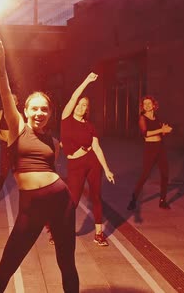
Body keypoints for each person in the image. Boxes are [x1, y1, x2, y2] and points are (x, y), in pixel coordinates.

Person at [0, 36, 79, 292]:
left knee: (67, 263)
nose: (40, 113)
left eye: (45, 110)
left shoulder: (53, 141)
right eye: (35, 109)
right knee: (7, 265)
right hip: (31, 209)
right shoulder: (17, 128)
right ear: (25, 111)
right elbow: (4, 89)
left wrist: (54, 217)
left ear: (50, 114)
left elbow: (53, 171)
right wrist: (1, 59)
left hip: (61, 205)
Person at [60, 72, 115, 246]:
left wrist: (107, 169)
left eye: (84, 105)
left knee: (96, 197)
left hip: (92, 163)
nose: (80, 107)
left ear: (87, 110)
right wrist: (87, 81)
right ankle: (59, 229)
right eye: (79, 104)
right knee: (73, 199)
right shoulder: (66, 119)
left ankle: (99, 234)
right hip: (75, 166)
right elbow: (74, 96)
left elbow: (97, 148)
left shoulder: (90, 126)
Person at [127, 95, 173, 210]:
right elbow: (145, 133)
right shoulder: (142, 118)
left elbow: (160, 133)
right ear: (143, 107)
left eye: (149, 103)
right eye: (144, 104)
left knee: (165, 174)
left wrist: (165, 131)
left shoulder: (157, 117)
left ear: (154, 105)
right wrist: (161, 130)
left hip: (160, 147)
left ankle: (163, 200)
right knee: (145, 175)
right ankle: (133, 199)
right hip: (150, 148)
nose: (147, 105)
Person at [0, 94, 19, 208]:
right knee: (3, 174)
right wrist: (7, 140)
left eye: (13, 100)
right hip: (6, 148)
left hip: (18, 148)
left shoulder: (19, 115)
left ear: (16, 103)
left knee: (24, 176)